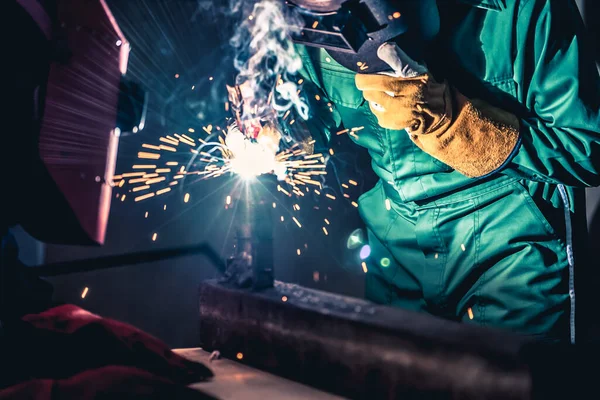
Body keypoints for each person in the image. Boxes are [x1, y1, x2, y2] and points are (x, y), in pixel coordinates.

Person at [292, 0, 600, 342]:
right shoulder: (308, 19)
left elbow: (588, 148)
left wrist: (457, 122)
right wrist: (288, 128)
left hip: (512, 253)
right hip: (395, 257)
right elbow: (317, 115)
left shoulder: (522, 8)